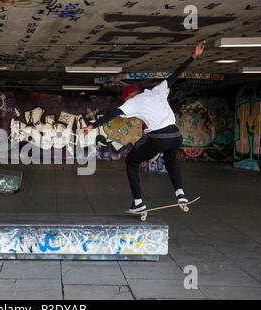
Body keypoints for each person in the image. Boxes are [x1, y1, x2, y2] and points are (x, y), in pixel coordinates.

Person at [82, 40, 206, 213]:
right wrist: (193, 56)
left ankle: (138, 202)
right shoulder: (157, 90)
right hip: (176, 136)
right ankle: (180, 193)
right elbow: (174, 75)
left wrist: (92, 126)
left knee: (132, 160)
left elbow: (113, 114)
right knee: (171, 159)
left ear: (127, 96)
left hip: (160, 137)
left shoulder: (132, 101)